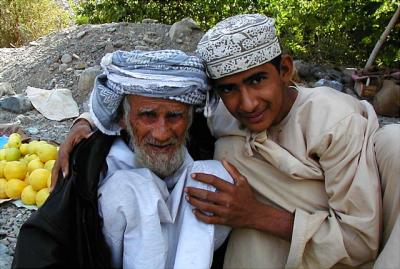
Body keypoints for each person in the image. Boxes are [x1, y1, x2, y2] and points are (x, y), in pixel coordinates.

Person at [52, 14, 400, 268]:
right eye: (229, 88)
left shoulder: (333, 121)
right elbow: (151, 100)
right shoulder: (222, 115)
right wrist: (85, 122)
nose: (247, 103)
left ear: (286, 70)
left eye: (257, 80)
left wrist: (254, 214)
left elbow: (359, 242)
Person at [13, 49, 233, 268]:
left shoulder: (202, 140)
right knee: (130, 189)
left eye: (174, 116)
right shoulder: (96, 159)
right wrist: (83, 121)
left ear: (189, 118)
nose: (162, 133)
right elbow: (45, 236)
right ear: (123, 119)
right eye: (148, 116)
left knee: (214, 177)